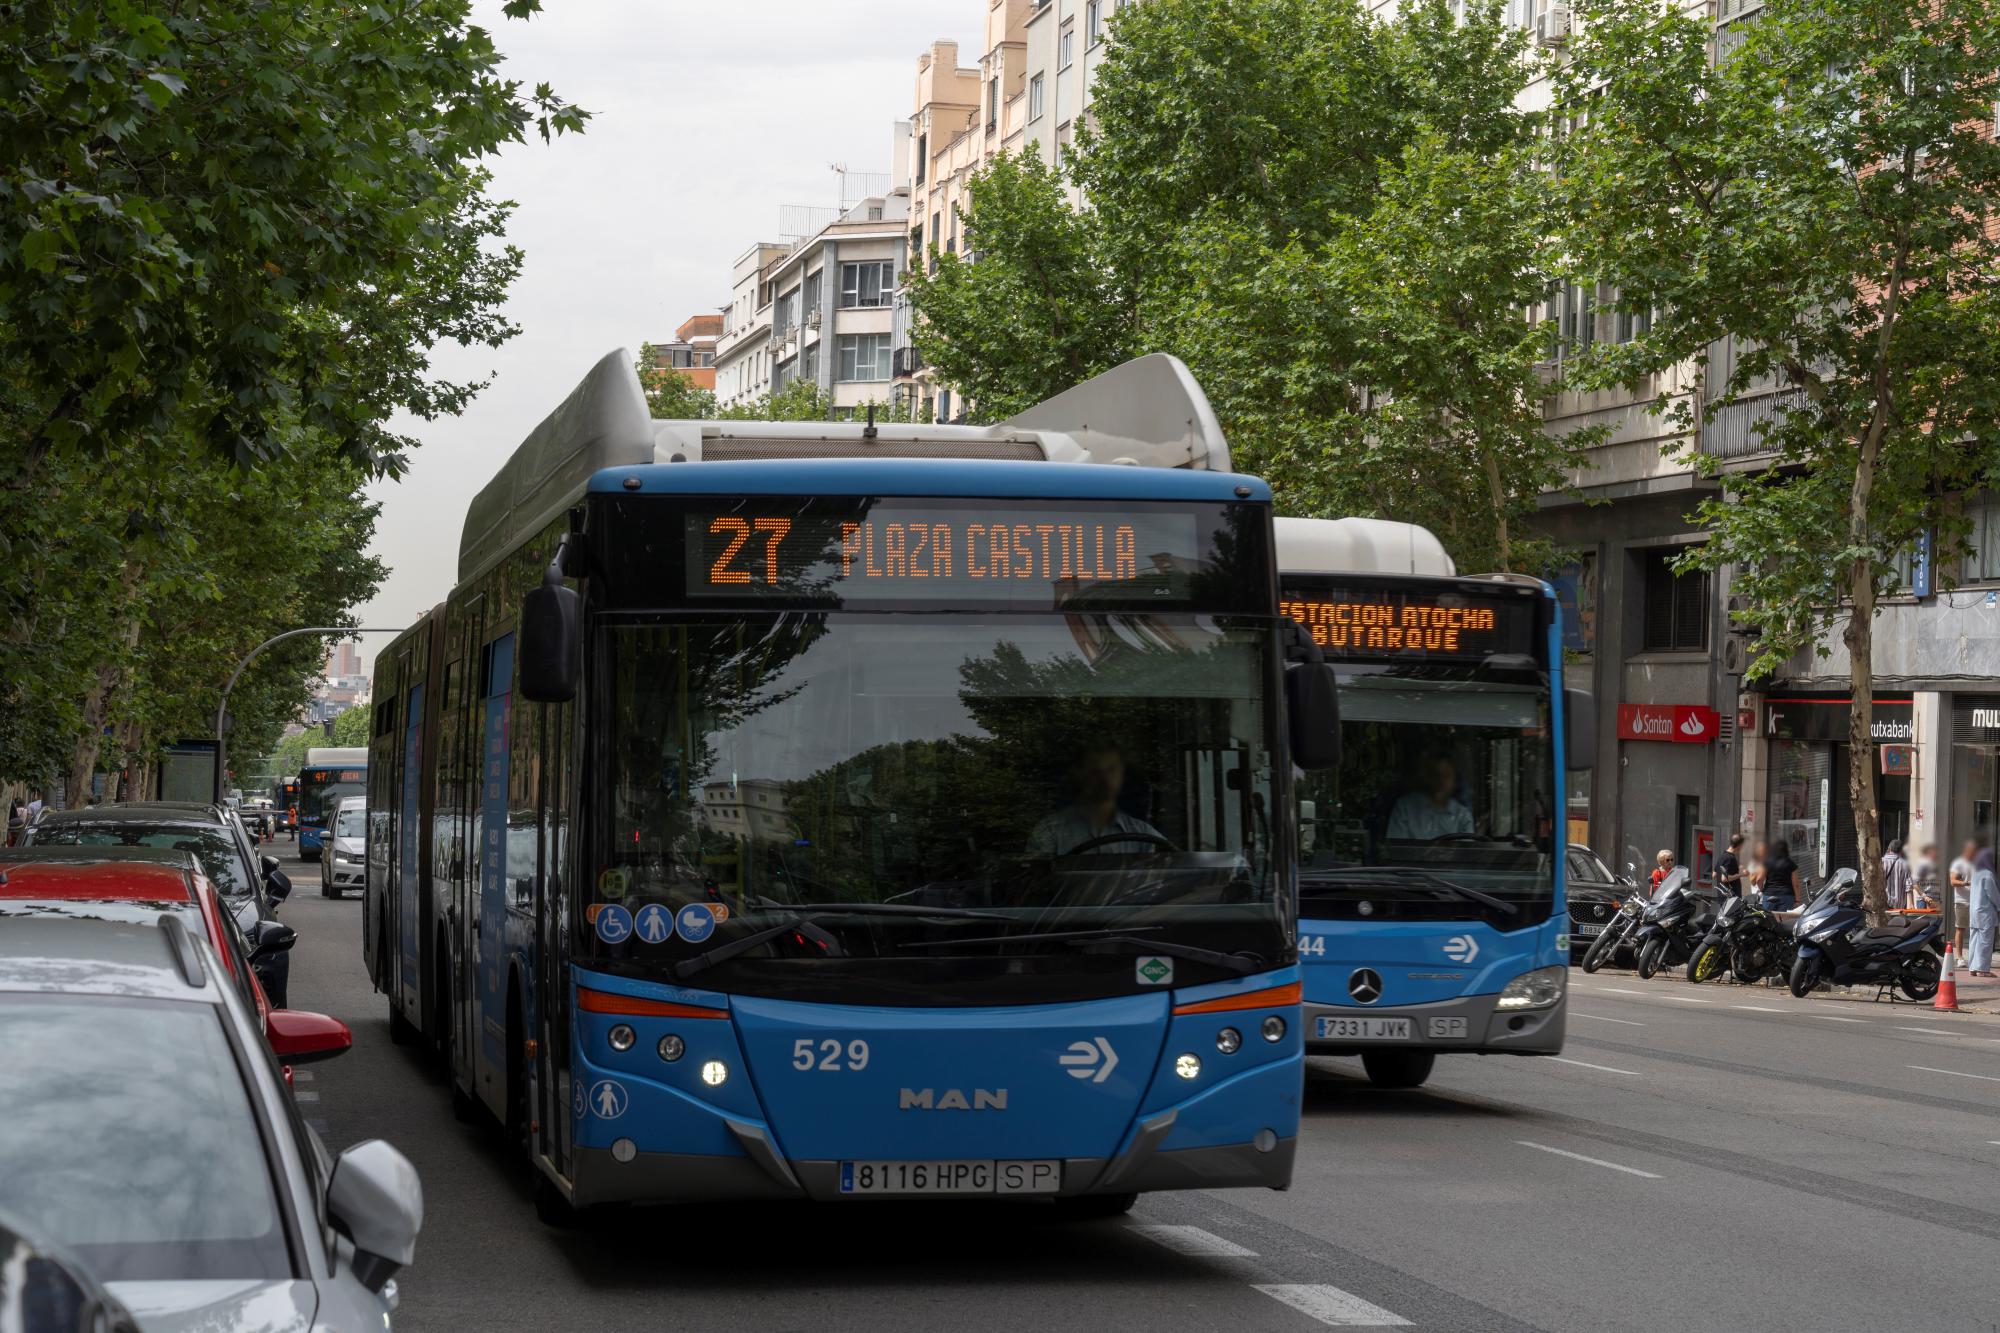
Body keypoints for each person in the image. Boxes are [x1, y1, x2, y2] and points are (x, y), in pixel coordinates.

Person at [1027, 742, 1164, 855]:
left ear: (1122, 774)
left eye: (1111, 769)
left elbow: (1167, 872)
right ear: (1079, 775)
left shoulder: (1144, 834)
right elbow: (1035, 878)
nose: (1104, 778)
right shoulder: (1050, 832)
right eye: (1095, 770)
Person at [1384, 754, 1473, 841]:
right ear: (1425, 777)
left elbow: (1466, 849)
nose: (1441, 781)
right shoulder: (1404, 808)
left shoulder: (1462, 815)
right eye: (1435, 774)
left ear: (1455, 779)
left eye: (1446, 775)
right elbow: (1395, 847)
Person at [1968, 842, 1999, 978]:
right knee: (1985, 940)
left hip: (1974, 911)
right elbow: (1993, 894)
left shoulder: (1976, 873)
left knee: (1974, 939)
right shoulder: (1988, 874)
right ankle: (1982, 969)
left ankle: (1972, 968)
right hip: (1985, 912)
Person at [1950, 840, 1977, 957]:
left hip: (1977, 902)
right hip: (1962, 901)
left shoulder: (1977, 863)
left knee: (1975, 930)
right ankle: (1960, 957)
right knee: (1960, 929)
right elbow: (1953, 881)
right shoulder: (1958, 863)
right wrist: (1967, 883)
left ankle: (1974, 958)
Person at [1763, 839, 1799, 911]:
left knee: (1768, 917)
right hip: (1786, 896)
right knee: (1784, 917)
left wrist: (1762, 890)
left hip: (1769, 894)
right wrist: (1797, 900)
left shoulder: (1767, 862)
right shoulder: (1790, 863)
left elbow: (1759, 879)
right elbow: (1796, 884)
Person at [1881, 839, 1912, 911]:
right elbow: (1909, 886)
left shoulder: (1881, 862)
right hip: (1900, 906)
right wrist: (1911, 904)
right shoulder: (1905, 864)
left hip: (1883, 903)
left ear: (1889, 848)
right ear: (1902, 851)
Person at [1912, 843, 1940, 911]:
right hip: (1924, 901)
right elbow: (1914, 883)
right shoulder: (1922, 864)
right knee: (1924, 917)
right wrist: (1924, 897)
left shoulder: (1936, 864)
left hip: (1935, 900)